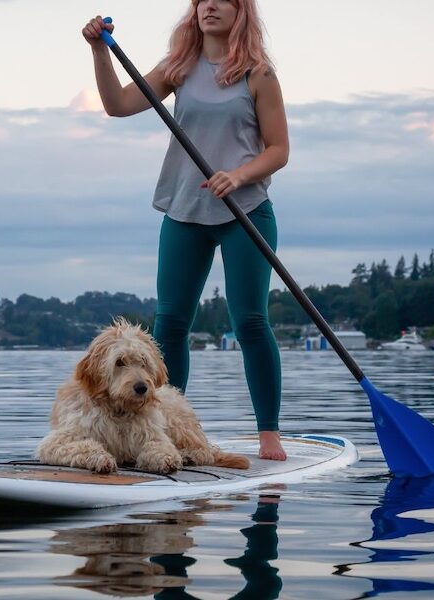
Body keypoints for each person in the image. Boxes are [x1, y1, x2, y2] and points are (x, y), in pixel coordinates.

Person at [81, 0, 290, 460]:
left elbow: (278, 150)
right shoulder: (178, 67)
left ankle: (269, 435)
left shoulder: (258, 74)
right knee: (171, 323)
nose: (210, 5)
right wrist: (99, 51)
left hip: (245, 211)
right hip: (184, 209)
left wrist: (238, 175)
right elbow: (117, 105)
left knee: (250, 321)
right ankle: (159, 428)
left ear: (241, 11)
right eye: (201, 0)